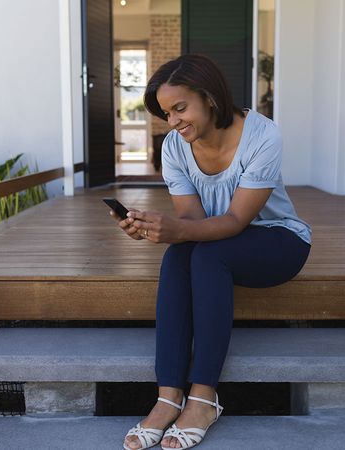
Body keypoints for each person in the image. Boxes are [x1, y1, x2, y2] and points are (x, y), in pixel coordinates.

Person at [111, 54, 312, 450]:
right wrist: (153, 229)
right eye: (167, 113)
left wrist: (179, 230)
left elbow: (236, 220)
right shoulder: (174, 147)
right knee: (179, 255)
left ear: (210, 97)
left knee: (205, 256)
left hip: (278, 240)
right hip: (216, 240)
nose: (173, 122)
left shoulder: (263, 136)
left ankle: (203, 399)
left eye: (180, 108)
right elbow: (192, 220)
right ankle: (168, 397)